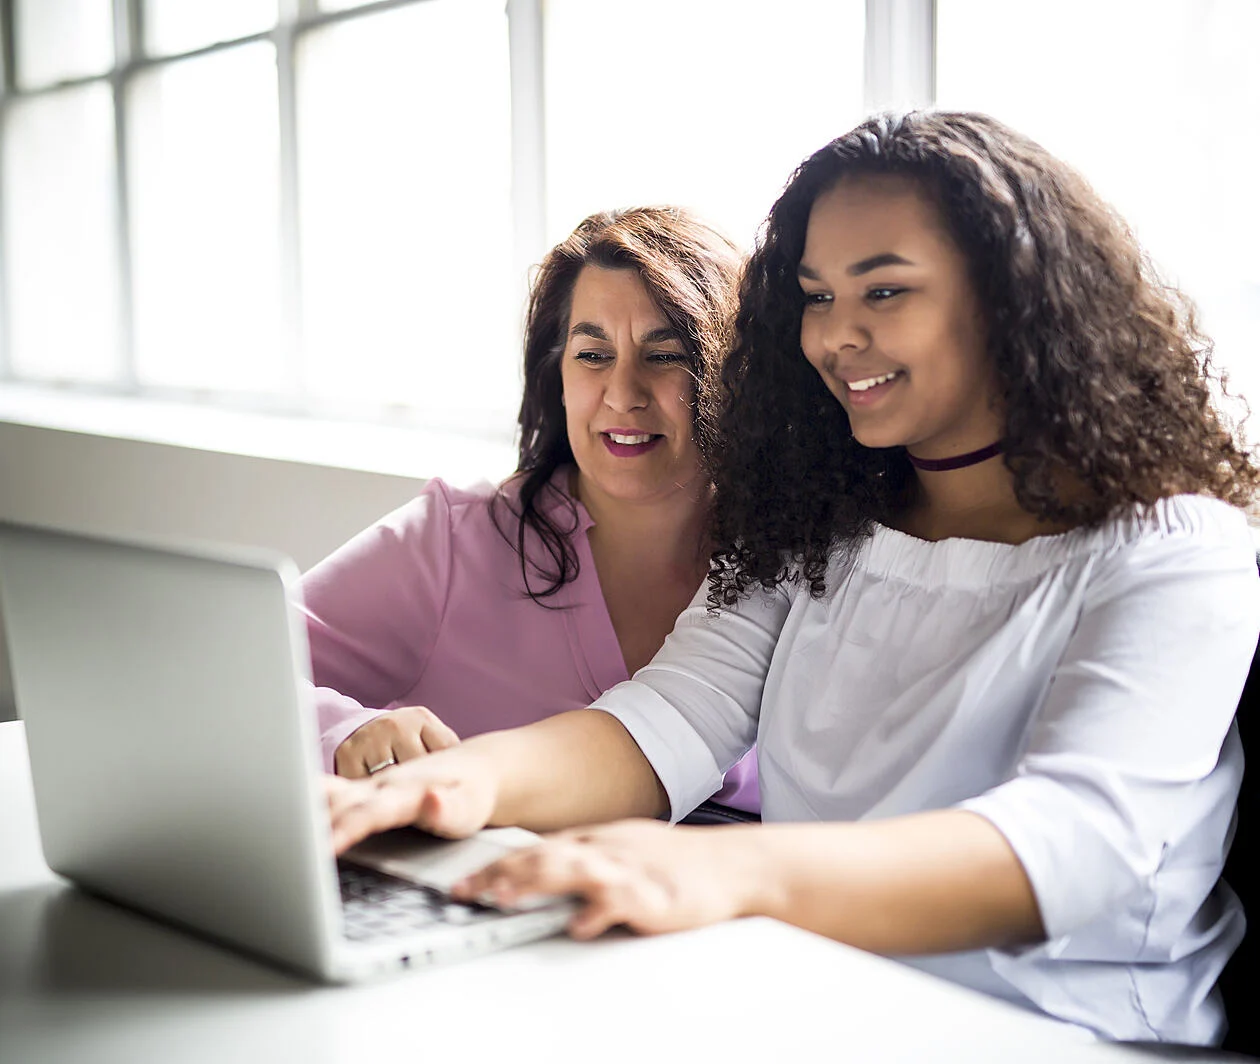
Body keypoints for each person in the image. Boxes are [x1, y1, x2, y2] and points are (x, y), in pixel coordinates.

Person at [324, 112, 1260, 1044]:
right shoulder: (818, 522)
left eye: (883, 292)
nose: (836, 337)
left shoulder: (1174, 552)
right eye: (815, 297)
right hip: (812, 998)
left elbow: (1071, 844)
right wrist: (452, 786)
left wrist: (734, 874)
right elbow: (666, 721)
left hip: (1065, 1032)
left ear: (1015, 299)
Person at [303, 205, 758, 815]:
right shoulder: (454, 540)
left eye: (665, 355)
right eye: (592, 356)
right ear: (558, 375)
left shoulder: (796, 571)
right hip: (485, 897)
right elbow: (224, 668)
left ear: (736, 371)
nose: (622, 394)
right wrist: (342, 730)